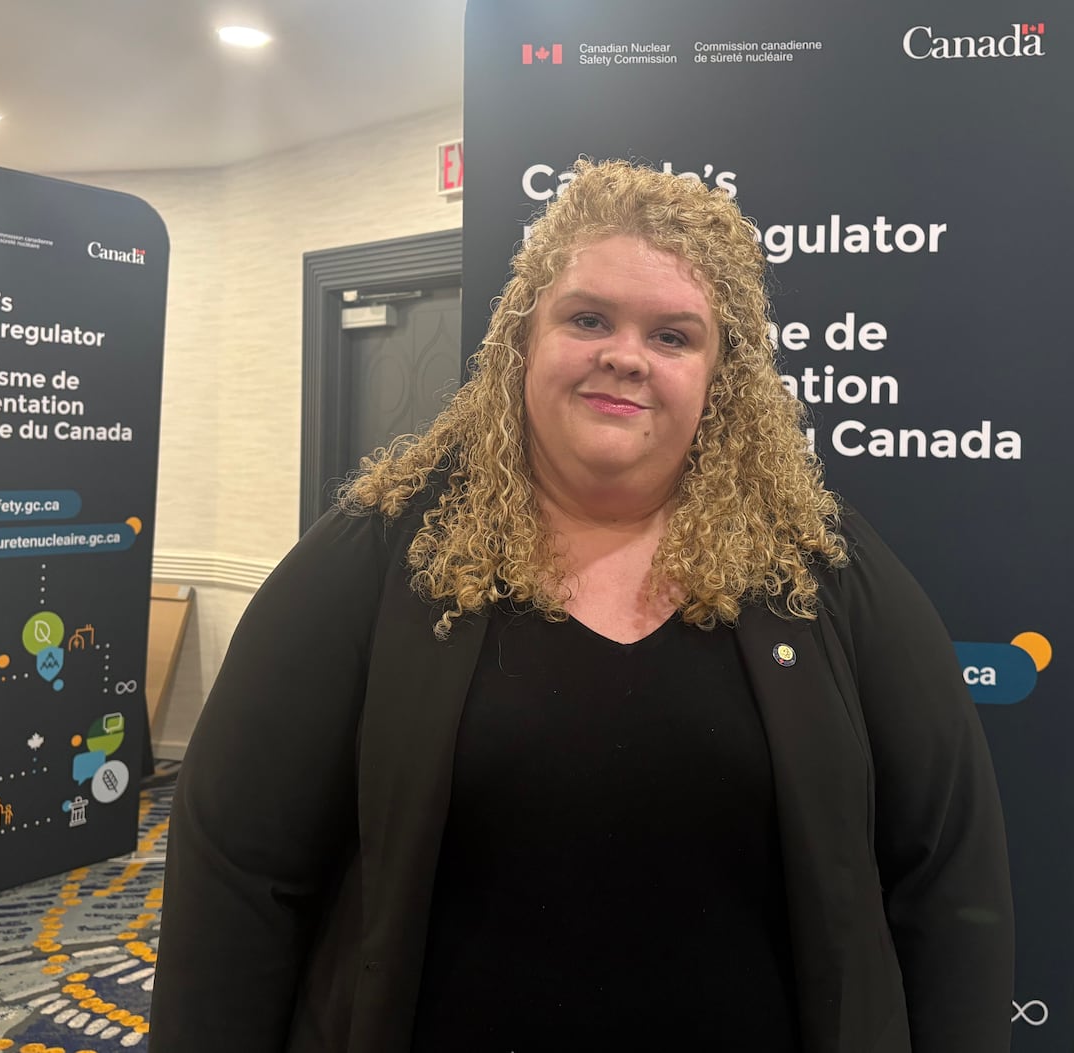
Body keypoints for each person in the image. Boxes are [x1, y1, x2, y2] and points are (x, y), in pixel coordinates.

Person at [149, 159, 1013, 1052]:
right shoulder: (380, 551)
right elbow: (240, 865)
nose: (625, 355)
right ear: (524, 337)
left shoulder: (819, 568)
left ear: (723, 378)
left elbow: (945, 877)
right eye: (588, 317)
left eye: (675, 336)